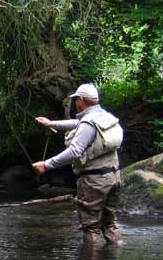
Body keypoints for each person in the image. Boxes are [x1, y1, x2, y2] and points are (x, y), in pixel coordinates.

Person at [32, 83, 124, 245]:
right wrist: (52, 124)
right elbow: (78, 124)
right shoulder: (105, 116)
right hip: (113, 177)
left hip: (94, 183)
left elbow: (74, 151)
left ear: (80, 100)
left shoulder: (88, 123)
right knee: (110, 223)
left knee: (91, 227)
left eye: (75, 100)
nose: (75, 103)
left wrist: (46, 164)